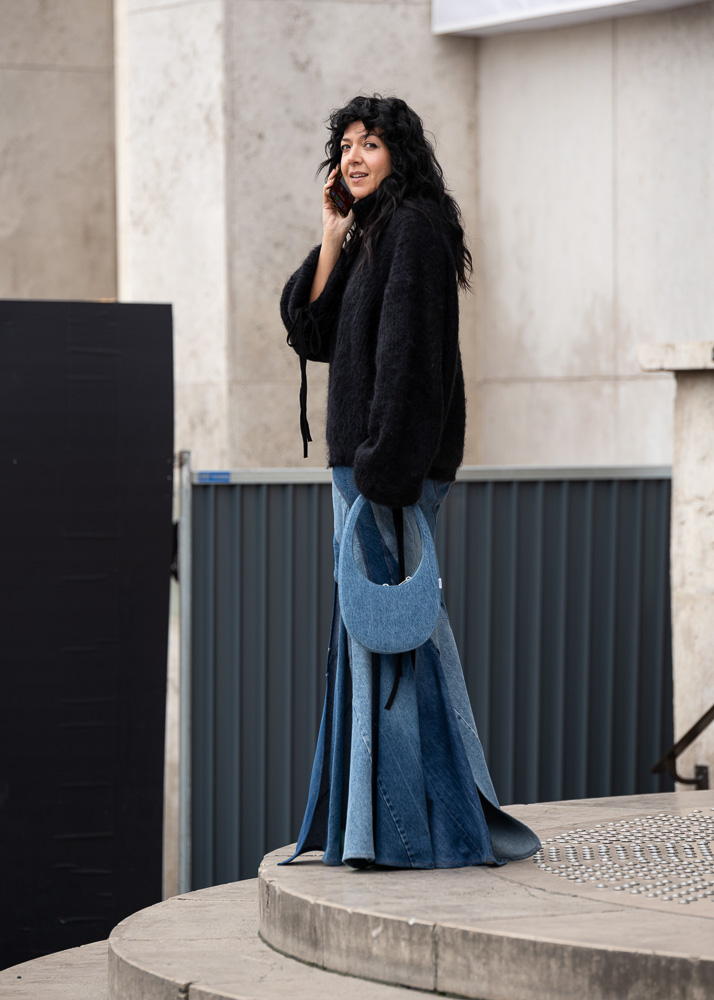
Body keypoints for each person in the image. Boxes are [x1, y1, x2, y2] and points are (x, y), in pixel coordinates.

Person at [280, 95, 539, 869]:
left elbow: (412, 360)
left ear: (403, 154)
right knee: (385, 645)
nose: (354, 157)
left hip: (385, 473)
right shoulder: (367, 236)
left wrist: (385, 472)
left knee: (394, 648)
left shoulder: (415, 231)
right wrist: (329, 240)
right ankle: (395, 828)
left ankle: (408, 833)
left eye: (371, 144)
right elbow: (311, 332)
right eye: (346, 146)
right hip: (364, 469)